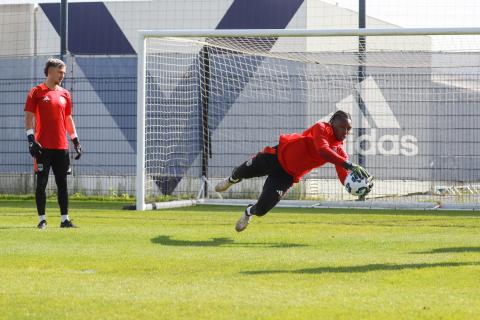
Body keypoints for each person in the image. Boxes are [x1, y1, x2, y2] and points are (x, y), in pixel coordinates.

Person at [215, 110, 372, 232]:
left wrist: (360, 188)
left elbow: (344, 177)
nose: (345, 132)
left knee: (262, 209)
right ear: (332, 123)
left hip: (286, 175)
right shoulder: (322, 128)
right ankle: (231, 180)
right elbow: (323, 150)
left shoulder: (339, 152)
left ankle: (248, 212)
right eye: (342, 127)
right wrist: (349, 164)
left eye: (348, 129)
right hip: (274, 157)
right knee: (241, 172)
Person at [24, 58, 83, 229]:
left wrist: (75, 140)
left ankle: (65, 219)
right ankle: (42, 219)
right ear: (50, 71)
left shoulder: (65, 94)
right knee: (41, 183)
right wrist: (31, 140)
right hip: (42, 147)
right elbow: (28, 116)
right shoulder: (36, 92)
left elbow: (68, 118)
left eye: (64, 73)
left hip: (61, 147)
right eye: (60, 72)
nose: (62, 76)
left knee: (62, 184)